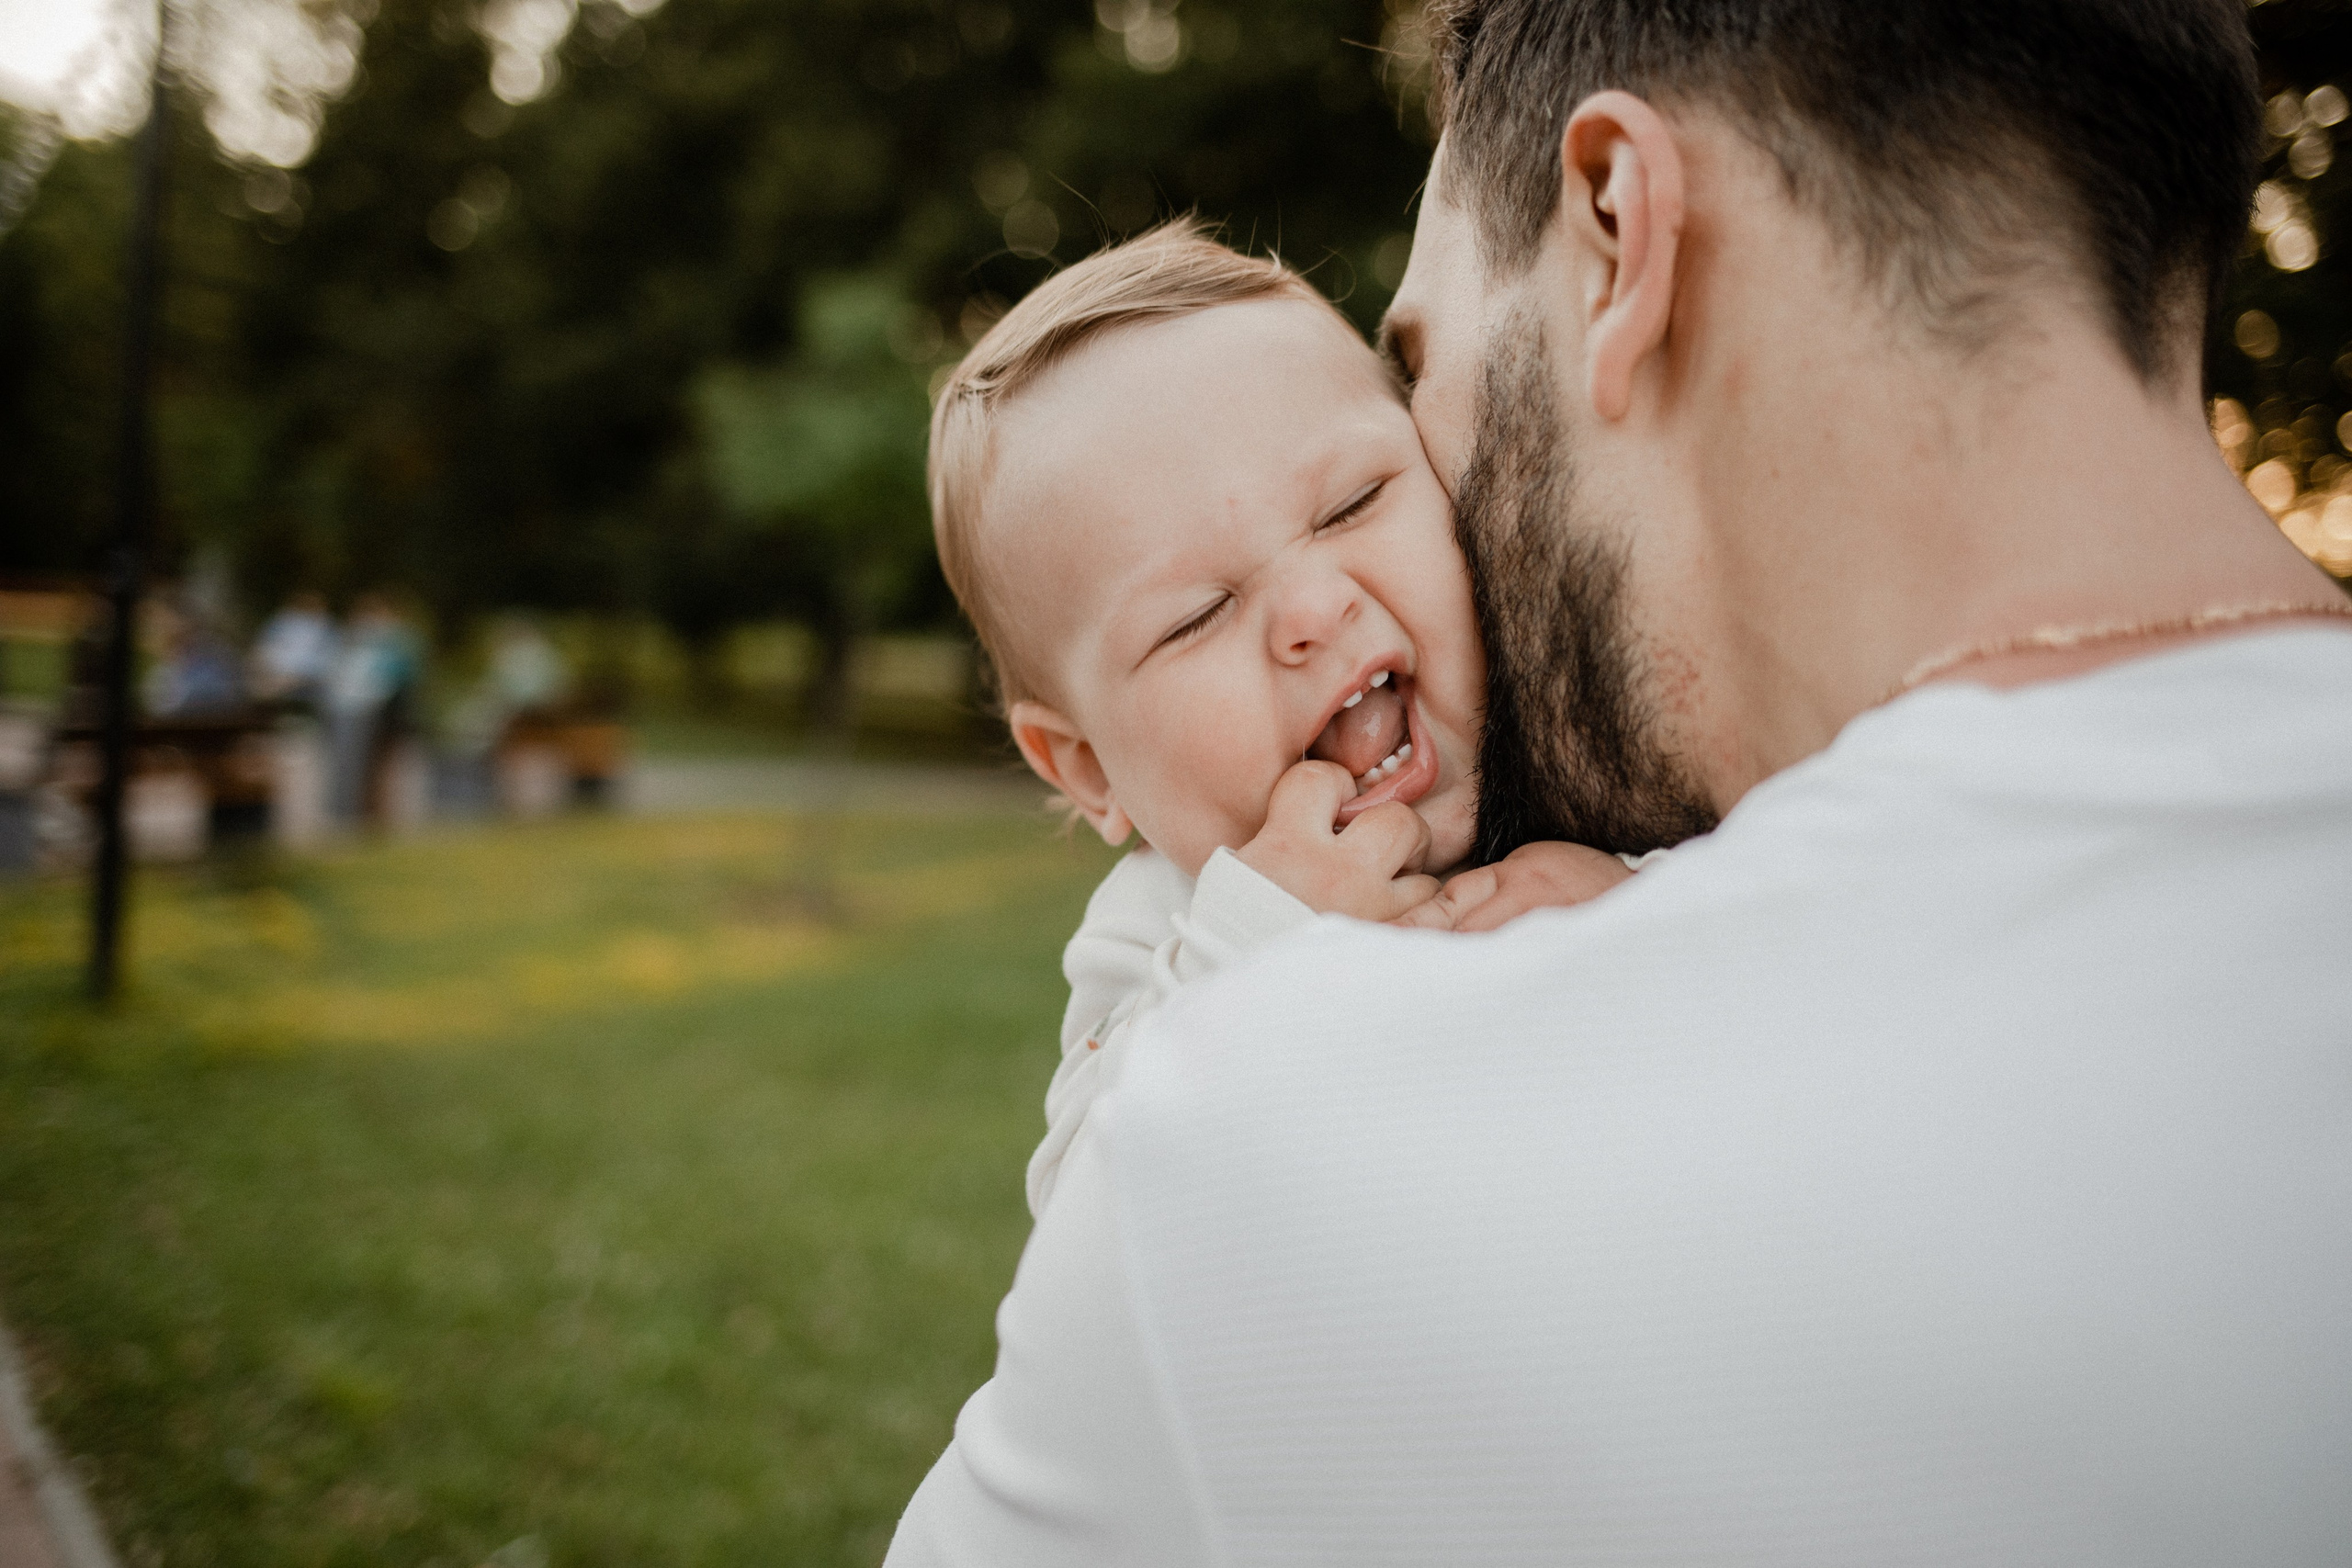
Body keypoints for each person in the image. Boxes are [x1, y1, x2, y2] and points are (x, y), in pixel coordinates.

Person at [887, 1, 2352, 1563]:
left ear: (1618, 223)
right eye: (1194, 615)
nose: (1331, 599)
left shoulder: (1236, 1172)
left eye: (1410, 393)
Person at [927, 220, 1631, 1215]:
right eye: (1196, 615)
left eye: (1351, 504)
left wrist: (1640, 909)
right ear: (1088, 767)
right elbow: (1087, 1222)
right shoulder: (1172, 931)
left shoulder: (1598, 741)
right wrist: (1257, 950)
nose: (1313, 610)